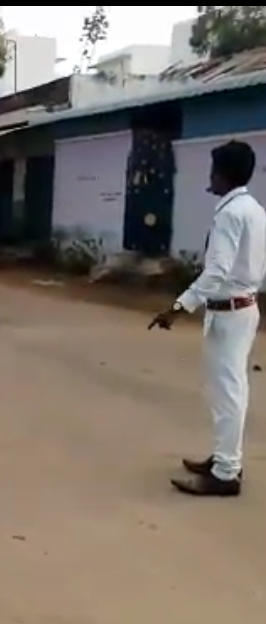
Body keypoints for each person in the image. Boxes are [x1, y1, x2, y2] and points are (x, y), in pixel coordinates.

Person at [149, 140, 265, 497]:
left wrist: (179, 307)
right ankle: (224, 459)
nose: (209, 177)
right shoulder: (254, 209)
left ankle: (226, 473)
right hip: (241, 308)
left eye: (212, 170)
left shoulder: (230, 213)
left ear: (224, 174)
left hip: (231, 312)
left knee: (228, 393)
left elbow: (216, 272)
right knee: (229, 391)